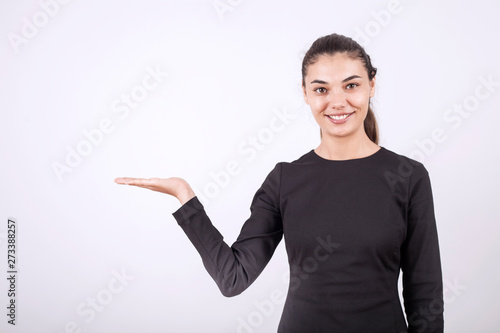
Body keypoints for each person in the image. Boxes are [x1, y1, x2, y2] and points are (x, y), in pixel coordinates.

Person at [115, 33, 444, 332]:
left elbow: (425, 296)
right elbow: (234, 278)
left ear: (372, 85)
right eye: (321, 89)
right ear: (305, 93)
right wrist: (186, 199)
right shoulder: (286, 179)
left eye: (351, 85)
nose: (337, 101)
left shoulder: (409, 176)